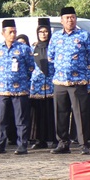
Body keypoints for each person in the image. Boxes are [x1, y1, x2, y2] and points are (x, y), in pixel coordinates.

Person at [47, 6, 90, 155]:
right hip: (60, 82)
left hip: (78, 81)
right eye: (67, 18)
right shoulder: (56, 37)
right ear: (61, 20)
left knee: (80, 114)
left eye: (73, 17)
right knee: (60, 113)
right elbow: (50, 57)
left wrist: (84, 74)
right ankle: (63, 143)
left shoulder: (84, 35)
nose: (70, 20)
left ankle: (83, 143)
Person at [0, 20, 34, 154]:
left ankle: (22, 145)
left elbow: (31, 67)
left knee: (20, 119)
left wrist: (23, 79)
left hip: (19, 89)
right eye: (10, 32)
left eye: (14, 31)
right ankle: (0, 144)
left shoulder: (24, 48)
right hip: (2, 89)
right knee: (2, 119)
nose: (13, 34)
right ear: (3, 33)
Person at [29, 18, 55, 149]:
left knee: (53, 112)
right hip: (37, 87)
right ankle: (40, 139)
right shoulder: (33, 48)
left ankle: (55, 138)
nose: (43, 34)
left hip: (52, 85)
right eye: (41, 32)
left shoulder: (54, 47)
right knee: (38, 113)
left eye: (46, 32)